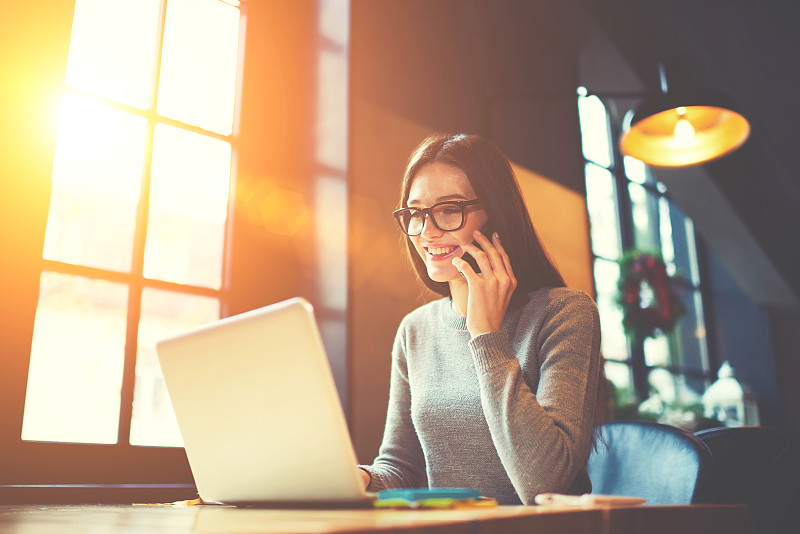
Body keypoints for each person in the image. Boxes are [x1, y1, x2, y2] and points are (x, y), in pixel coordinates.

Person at [357, 133, 604, 506]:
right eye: (416, 212)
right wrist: (358, 478)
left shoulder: (564, 313)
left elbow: (544, 484)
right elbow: (402, 467)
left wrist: (486, 335)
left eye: (448, 210)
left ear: (495, 213)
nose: (428, 231)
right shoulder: (415, 330)